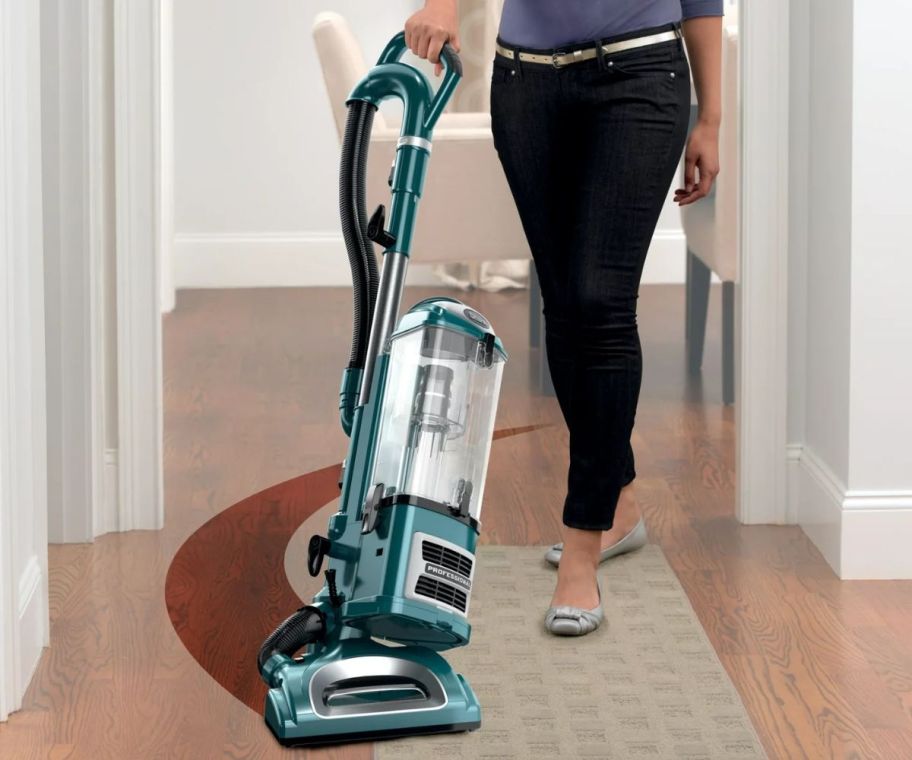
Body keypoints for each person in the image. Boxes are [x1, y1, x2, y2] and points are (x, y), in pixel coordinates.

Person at [405, 0, 723, 636]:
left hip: (638, 76)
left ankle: (582, 546)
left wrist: (712, 116)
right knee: (565, 304)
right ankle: (620, 501)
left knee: (599, 304)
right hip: (524, 86)